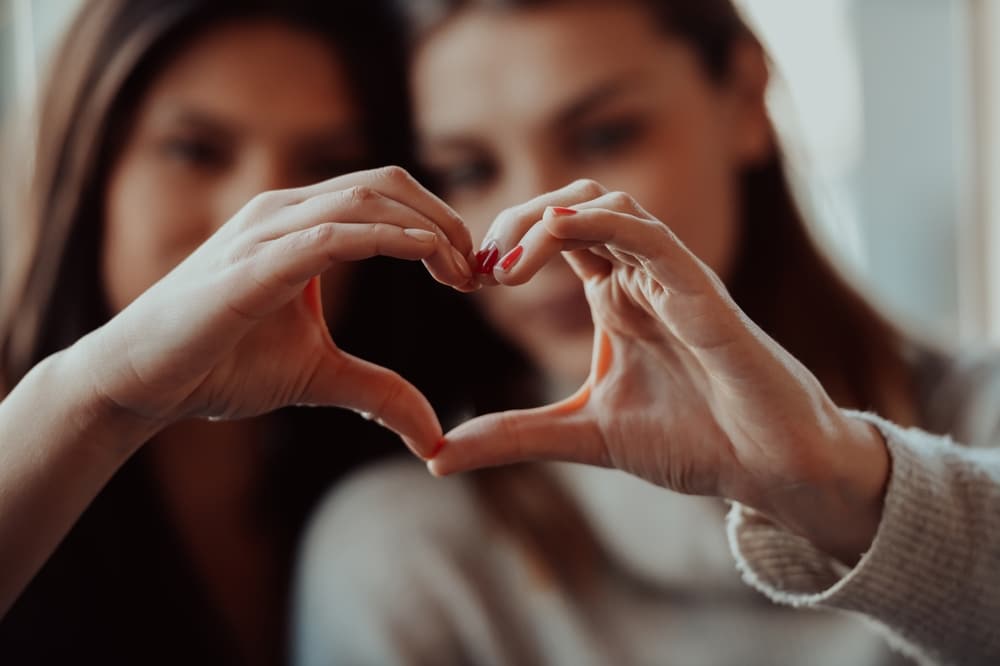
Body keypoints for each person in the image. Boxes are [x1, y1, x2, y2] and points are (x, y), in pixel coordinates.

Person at [292, 1, 1000, 665]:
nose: (533, 230)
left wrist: (856, 495)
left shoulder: (981, 416)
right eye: (469, 171)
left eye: (603, 135)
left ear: (744, 98)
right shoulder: (402, 554)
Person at [0, 1, 477, 663]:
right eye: (196, 151)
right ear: (86, 165)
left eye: (328, 165)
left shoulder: (420, 470)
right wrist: (97, 398)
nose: (258, 213)